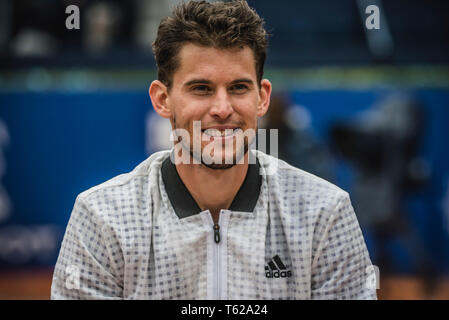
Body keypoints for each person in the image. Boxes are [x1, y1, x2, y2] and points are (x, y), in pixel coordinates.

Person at [51, 0, 377, 300]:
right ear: (162, 99)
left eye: (238, 87)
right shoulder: (104, 219)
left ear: (262, 98)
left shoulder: (324, 213)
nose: (222, 109)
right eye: (201, 89)